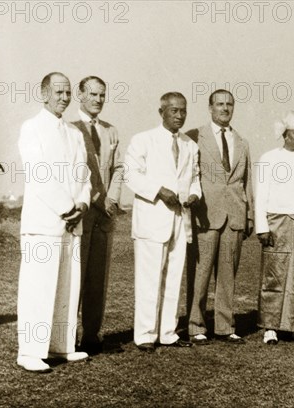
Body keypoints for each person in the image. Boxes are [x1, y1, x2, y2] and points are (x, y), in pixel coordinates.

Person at [17, 72, 91, 372]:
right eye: (58, 92)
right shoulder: (31, 128)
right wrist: (66, 208)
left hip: (72, 223)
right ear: (44, 93)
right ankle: (30, 352)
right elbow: (38, 173)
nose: (64, 97)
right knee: (39, 286)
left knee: (67, 286)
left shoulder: (74, 132)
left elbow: (84, 174)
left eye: (67, 92)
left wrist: (82, 204)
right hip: (44, 222)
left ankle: (61, 346)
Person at [125, 92, 201, 352]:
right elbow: (131, 175)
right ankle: (145, 334)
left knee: (174, 278)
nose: (179, 116)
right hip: (151, 219)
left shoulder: (191, 145)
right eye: (174, 111)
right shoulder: (143, 140)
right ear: (162, 112)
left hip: (180, 220)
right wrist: (159, 190)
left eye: (183, 111)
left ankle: (168, 332)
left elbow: (195, 179)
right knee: (149, 279)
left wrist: (194, 194)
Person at [186, 90, 253, 345]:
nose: (225, 108)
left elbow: (247, 182)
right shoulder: (195, 137)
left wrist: (249, 216)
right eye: (220, 104)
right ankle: (195, 325)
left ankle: (225, 326)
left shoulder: (242, 142)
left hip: (234, 215)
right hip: (205, 215)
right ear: (210, 107)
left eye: (229, 104)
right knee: (200, 273)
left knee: (228, 274)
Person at [254, 111, 294, 345]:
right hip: (276, 222)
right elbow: (260, 194)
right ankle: (270, 328)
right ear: (285, 134)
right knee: (275, 275)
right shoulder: (269, 158)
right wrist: (262, 226)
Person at [71, 76, 124, 355]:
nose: (98, 100)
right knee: (73, 278)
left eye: (102, 95)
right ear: (80, 95)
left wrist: (112, 199)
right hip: (80, 215)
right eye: (92, 94)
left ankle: (91, 335)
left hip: (105, 217)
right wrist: (93, 198)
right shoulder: (69, 129)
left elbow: (118, 168)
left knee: (97, 279)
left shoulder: (111, 131)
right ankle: (67, 337)